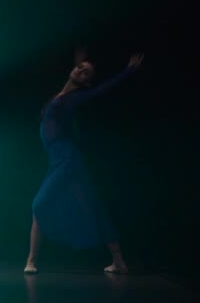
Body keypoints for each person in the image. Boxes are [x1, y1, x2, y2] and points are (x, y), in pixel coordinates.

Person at [24, 50, 144, 274]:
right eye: (80, 67)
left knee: (38, 205)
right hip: (61, 161)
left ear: (86, 82)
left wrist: (127, 72)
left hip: (65, 161)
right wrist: (80, 62)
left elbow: (101, 89)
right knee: (94, 207)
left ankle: (31, 260)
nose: (80, 70)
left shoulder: (75, 98)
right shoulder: (60, 95)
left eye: (85, 72)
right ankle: (119, 260)